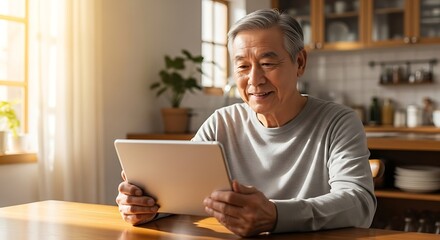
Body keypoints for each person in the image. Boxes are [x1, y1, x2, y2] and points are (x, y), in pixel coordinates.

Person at [116, 9, 376, 237]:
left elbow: (359, 203)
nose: (254, 79)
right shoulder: (221, 123)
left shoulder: (338, 122)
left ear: (299, 63)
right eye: (242, 67)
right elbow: (183, 194)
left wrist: (275, 215)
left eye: (267, 63)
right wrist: (147, 208)